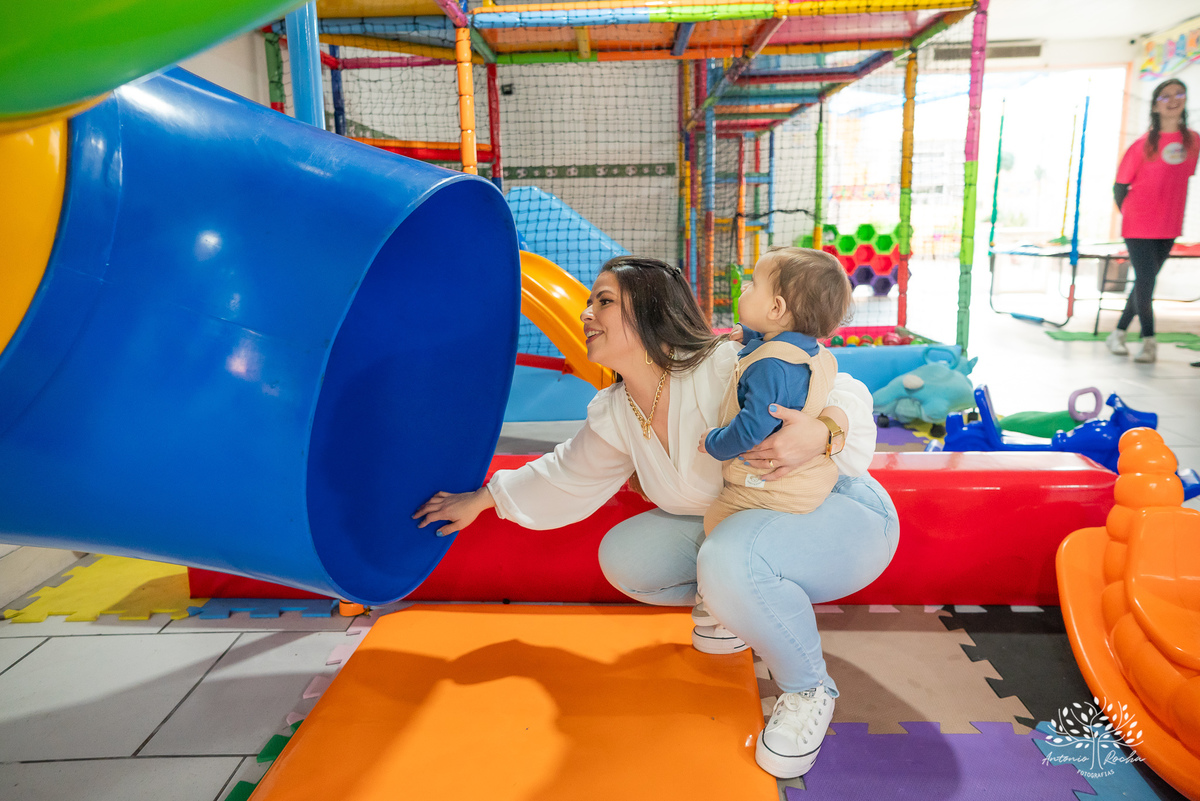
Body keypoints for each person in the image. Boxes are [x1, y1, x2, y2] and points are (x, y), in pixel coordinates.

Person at [414, 255, 899, 780]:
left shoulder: (725, 361)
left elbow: (842, 384)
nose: (586, 314)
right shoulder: (620, 409)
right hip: (745, 520)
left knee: (729, 556)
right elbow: (565, 472)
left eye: (603, 301)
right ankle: (731, 605)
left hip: (842, 515)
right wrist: (482, 499)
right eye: (588, 302)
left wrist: (825, 430)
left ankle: (808, 690)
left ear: (647, 312)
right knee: (626, 558)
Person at [699, 247, 853, 534]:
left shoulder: (769, 367)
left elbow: (751, 429)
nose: (745, 288)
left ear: (775, 309)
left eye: (753, 284)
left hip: (771, 491)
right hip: (812, 480)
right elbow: (786, 351)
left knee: (716, 521)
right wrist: (754, 336)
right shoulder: (813, 352)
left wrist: (714, 442)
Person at [1106, 78, 1197, 364]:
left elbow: (1179, 179)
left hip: (1169, 226)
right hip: (1138, 225)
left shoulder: (1193, 142)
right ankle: (1149, 341)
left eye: (1178, 94)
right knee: (1146, 280)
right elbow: (1119, 187)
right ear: (1155, 106)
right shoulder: (1142, 145)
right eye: (1165, 96)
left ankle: (1117, 333)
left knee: (1144, 283)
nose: (1173, 100)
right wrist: (1133, 214)